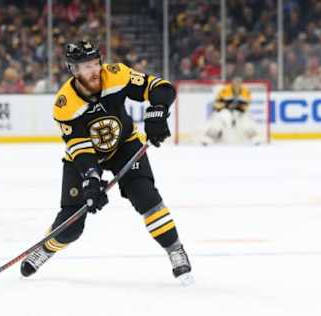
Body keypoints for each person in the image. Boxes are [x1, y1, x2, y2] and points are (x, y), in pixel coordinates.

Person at [20, 40, 193, 285]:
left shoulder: (116, 75)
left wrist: (157, 110)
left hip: (124, 146)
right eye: (85, 66)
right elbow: (80, 149)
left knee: (145, 196)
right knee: (72, 224)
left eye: (95, 63)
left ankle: (175, 249)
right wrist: (91, 179)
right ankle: (45, 248)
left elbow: (160, 87)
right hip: (84, 157)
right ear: (73, 70)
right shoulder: (65, 105)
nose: (93, 70)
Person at [201, 77, 261, 145]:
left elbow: (247, 105)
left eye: (239, 83)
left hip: (240, 112)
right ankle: (208, 138)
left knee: (246, 122)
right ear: (232, 83)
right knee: (219, 120)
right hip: (225, 110)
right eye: (235, 82)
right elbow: (217, 103)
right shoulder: (225, 90)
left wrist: (238, 107)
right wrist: (226, 106)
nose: (237, 84)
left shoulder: (246, 91)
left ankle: (255, 138)